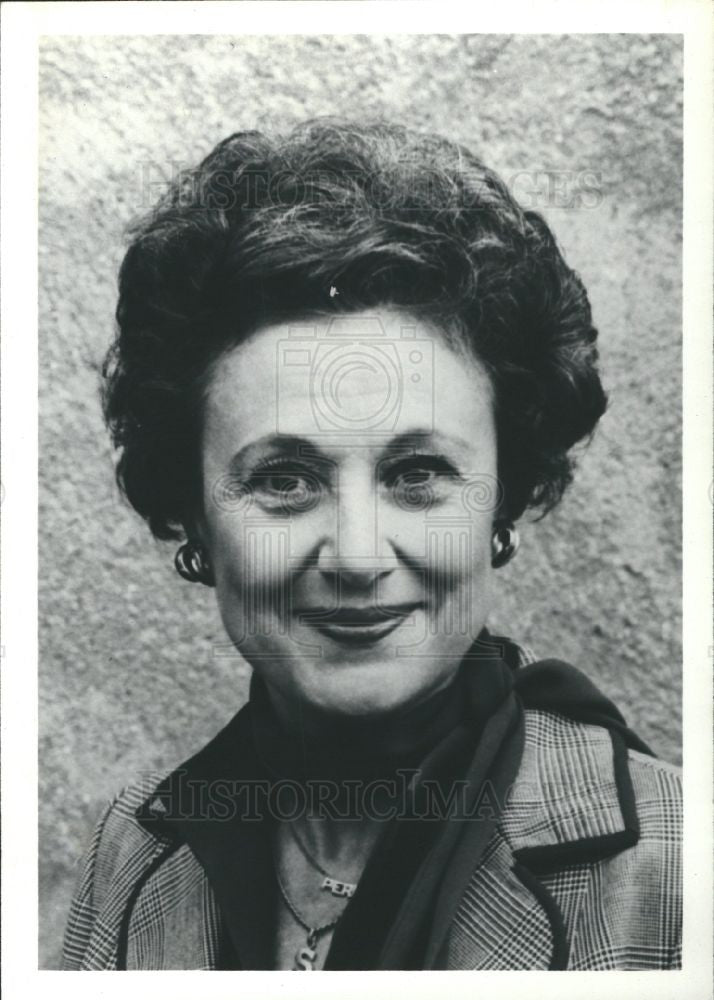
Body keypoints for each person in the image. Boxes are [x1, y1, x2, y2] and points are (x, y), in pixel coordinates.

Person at [62, 118, 682, 971]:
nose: (357, 555)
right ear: (197, 516)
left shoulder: (675, 869)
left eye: (418, 473)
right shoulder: (129, 858)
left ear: (501, 497)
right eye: (283, 479)